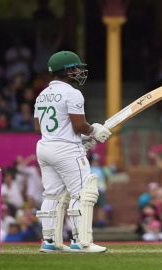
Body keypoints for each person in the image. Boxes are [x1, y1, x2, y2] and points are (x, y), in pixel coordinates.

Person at [34, 51, 112, 253]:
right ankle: (81, 241)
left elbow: (38, 127)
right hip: (66, 149)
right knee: (83, 192)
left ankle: (49, 242)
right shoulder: (72, 93)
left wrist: (79, 136)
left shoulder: (42, 94)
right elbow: (79, 125)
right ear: (67, 70)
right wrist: (94, 131)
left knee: (51, 195)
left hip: (44, 146)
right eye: (75, 68)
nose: (79, 72)